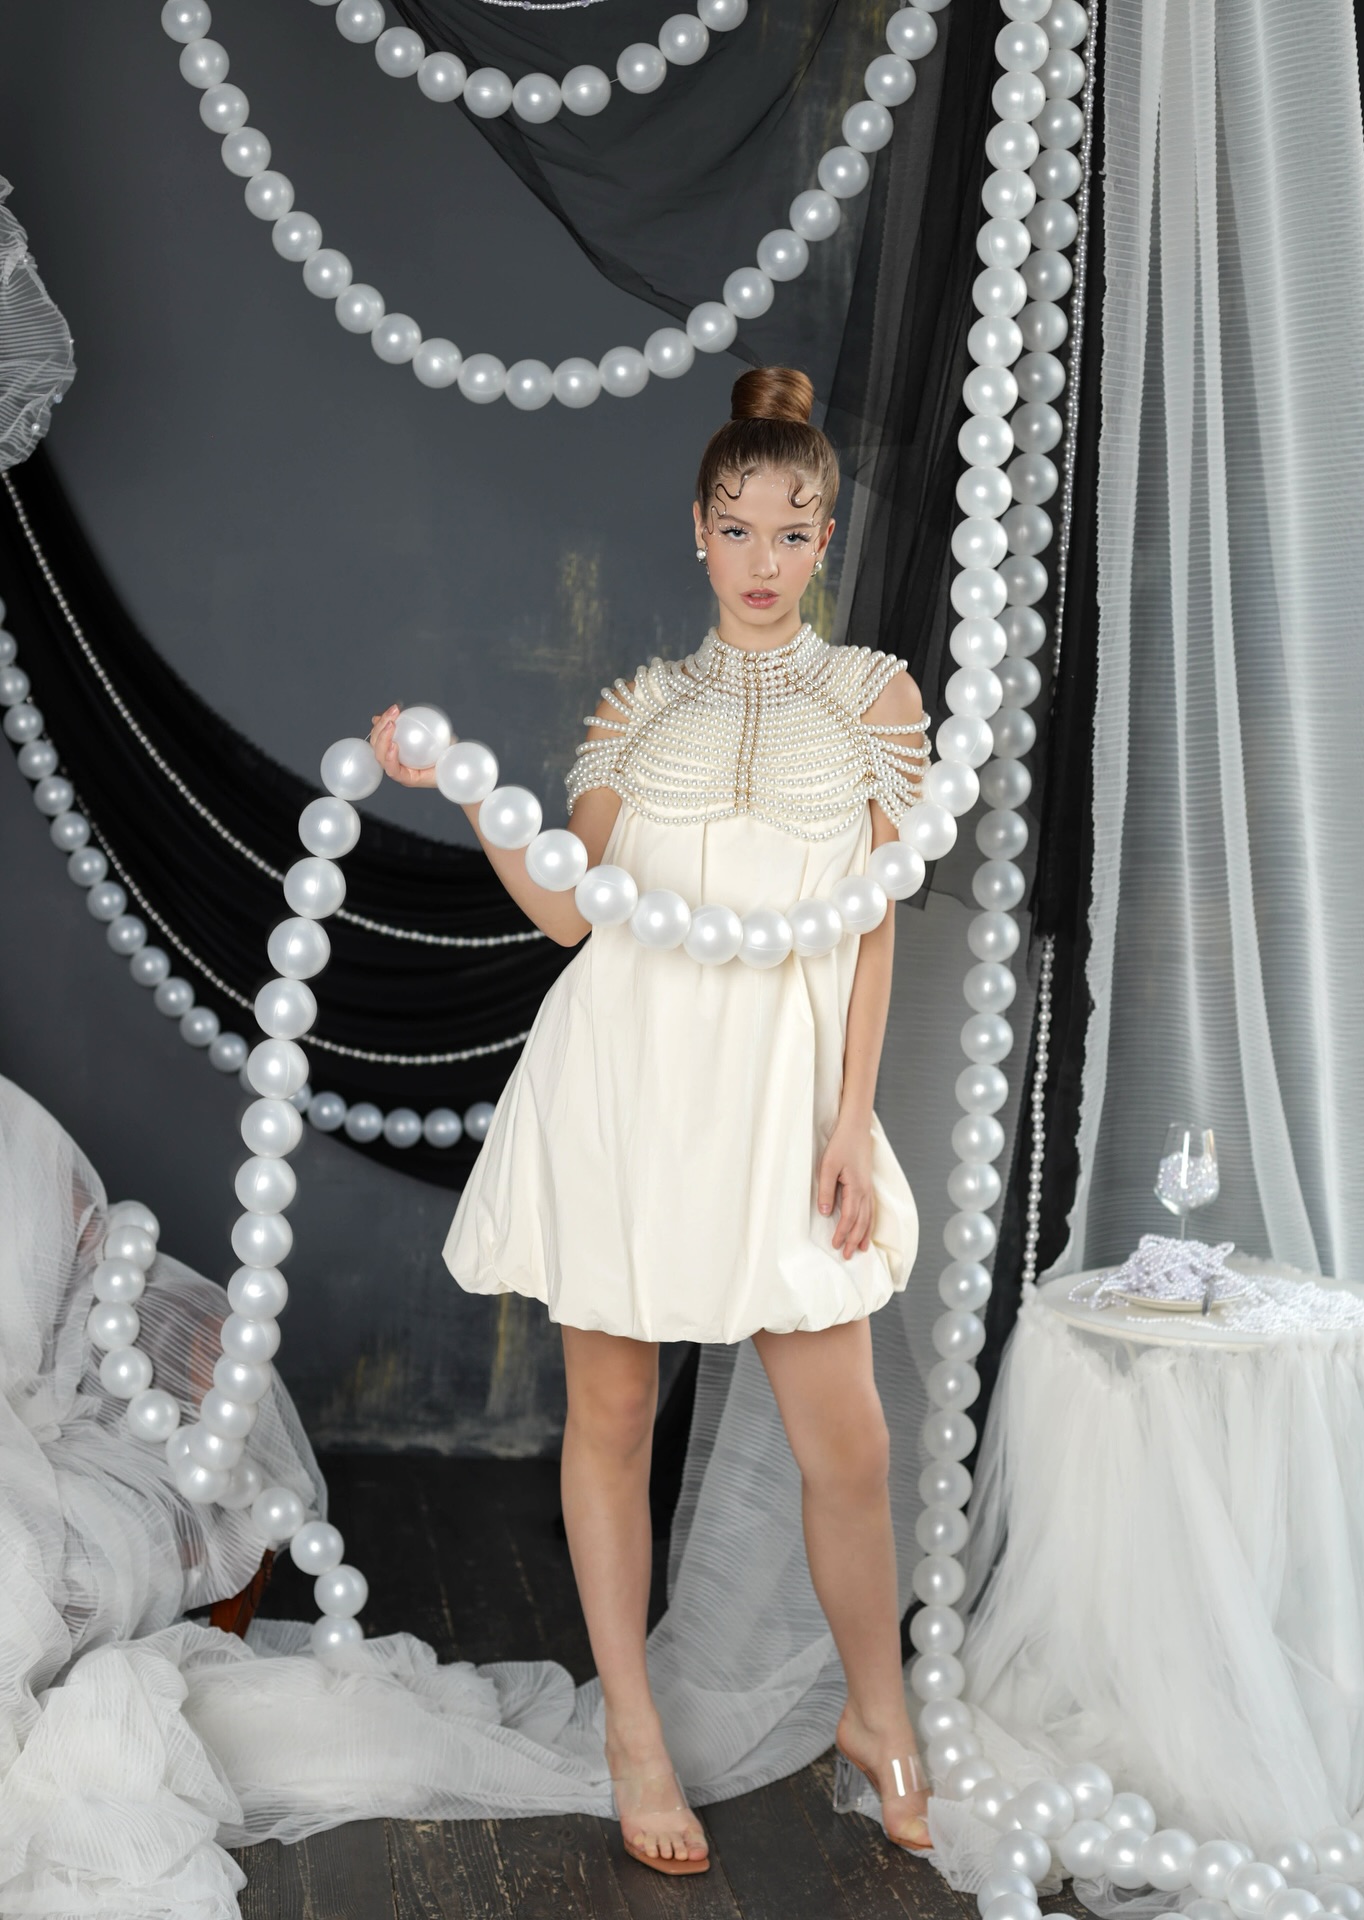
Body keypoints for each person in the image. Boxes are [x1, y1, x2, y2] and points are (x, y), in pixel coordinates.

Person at [367, 365, 933, 1874]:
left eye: (792, 533)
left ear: (825, 541)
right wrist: (464, 787)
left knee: (850, 1441)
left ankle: (876, 1711)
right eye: (737, 529)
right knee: (611, 1417)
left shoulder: (876, 698)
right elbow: (568, 913)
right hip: (623, 1081)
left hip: (780, 1098)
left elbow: (876, 926)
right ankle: (633, 1729)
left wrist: (850, 1121)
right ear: (697, 531)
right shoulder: (637, 709)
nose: (763, 562)